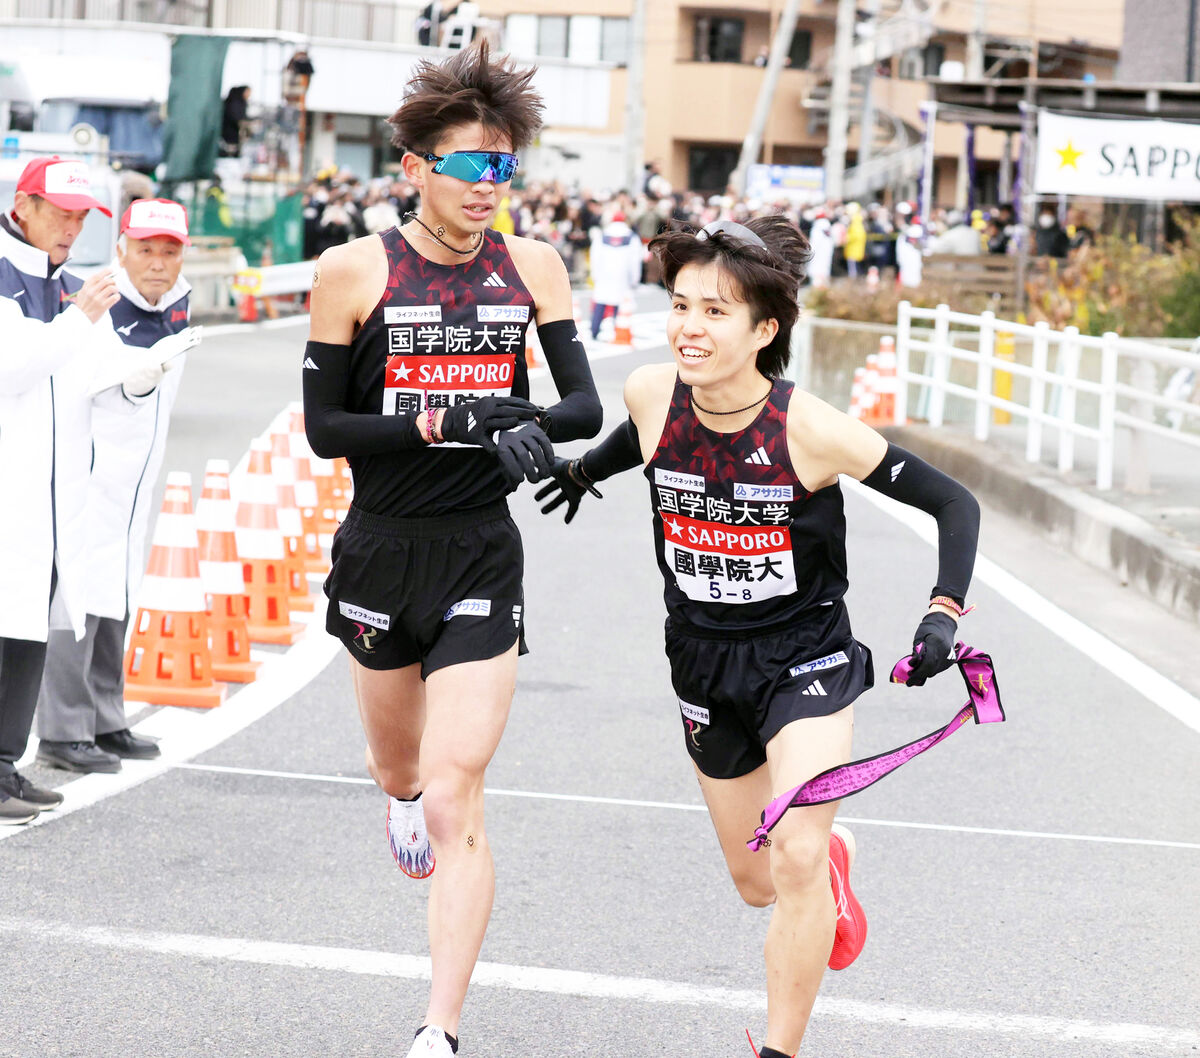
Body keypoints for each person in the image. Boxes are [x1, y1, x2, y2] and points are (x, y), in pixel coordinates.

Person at [535, 216, 980, 1056]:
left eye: (715, 313)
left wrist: (943, 611)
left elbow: (955, 502)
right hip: (702, 657)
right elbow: (649, 435)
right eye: (680, 307)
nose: (689, 329)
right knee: (756, 881)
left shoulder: (809, 429)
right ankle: (829, 867)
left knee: (796, 849)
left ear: (764, 329)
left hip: (803, 655)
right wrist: (584, 470)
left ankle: (780, 1046)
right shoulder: (650, 390)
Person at [301, 41, 602, 1058]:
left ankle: (440, 1024)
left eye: (504, 167)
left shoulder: (533, 266)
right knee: (401, 771)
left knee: (456, 785)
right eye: (470, 165)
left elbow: (581, 404)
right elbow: (326, 430)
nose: (489, 185)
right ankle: (398, 800)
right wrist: (444, 422)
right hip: (383, 546)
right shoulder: (354, 270)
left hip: (480, 552)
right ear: (416, 167)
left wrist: (525, 422)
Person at [0, 157, 161, 824]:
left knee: (29, 626)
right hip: (12, 492)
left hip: (49, 497)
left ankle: (6, 764)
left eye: (79, 216)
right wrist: (80, 322)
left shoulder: (56, 281)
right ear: (24, 205)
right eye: (59, 212)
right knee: (8, 621)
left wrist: (140, 375)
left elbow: (79, 372)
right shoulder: (10, 279)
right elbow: (12, 372)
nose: (70, 227)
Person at [35, 198, 196, 773]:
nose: (157, 262)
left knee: (117, 594)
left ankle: (106, 717)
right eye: (145, 249)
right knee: (76, 600)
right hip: (88, 475)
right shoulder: (96, 301)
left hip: (132, 482)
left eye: (169, 250)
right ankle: (63, 730)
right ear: (122, 247)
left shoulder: (176, 304)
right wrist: (137, 382)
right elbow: (92, 385)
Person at [587, 209, 643, 339]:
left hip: (604, 275)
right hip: (622, 276)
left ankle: (594, 331)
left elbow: (594, 256)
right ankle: (618, 331)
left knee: (600, 302)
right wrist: (635, 278)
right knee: (621, 304)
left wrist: (594, 274)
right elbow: (635, 260)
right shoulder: (631, 237)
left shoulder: (602, 235)